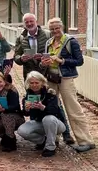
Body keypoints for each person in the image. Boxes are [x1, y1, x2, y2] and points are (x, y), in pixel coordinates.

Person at [14, 13, 75, 144]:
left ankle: (65, 133)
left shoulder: (47, 35)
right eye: (26, 22)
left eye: (31, 21)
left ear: (36, 21)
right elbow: (16, 56)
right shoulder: (21, 37)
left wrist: (42, 57)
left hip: (47, 74)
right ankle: (44, 134)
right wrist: (21, 59)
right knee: (33, 101)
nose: (29, 24)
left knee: (54, 103)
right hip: (30, 75)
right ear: (24, 23)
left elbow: (53, 51)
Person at [40, 17, 96, 153]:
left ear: (62, 27)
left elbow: (79, 61)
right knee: (52, 108)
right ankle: (53, 139)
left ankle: (85, 140)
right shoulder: (49, 42)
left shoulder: (71, 42)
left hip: (65, 78)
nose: (55, 31)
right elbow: (44, 61)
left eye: (57, 28)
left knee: (73, 109)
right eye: (52, 29)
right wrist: (44, 63)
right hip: (51, 78)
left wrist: (61, 60)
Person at [16, 71, 67, 157]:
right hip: (39, 122)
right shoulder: (28, 96)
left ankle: (50, 147)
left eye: (37, 82)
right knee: (22, 130)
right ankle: (43, 141)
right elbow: (26, 114)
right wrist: (26, 109)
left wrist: (42, 107)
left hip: (55, 123)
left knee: (48, 118)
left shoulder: (50, 94)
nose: (34, 85)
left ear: (42, 82)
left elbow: (54, 111)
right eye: (32, 83)